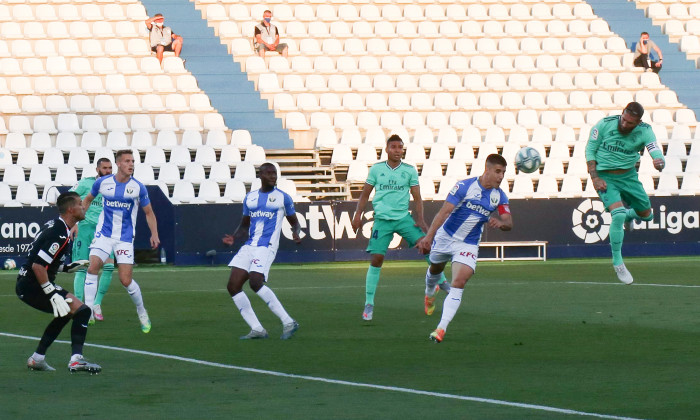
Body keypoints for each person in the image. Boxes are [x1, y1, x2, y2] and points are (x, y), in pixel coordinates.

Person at [351, 134, 450, 322]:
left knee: (427, 246)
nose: (397, 150)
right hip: (382, 220)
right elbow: (364, 195)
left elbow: (417, 197)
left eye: (400, 147)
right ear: (387, 149)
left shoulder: (409, 171)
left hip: (404, 218)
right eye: (394, 147)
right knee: (377, 258)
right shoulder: (377, 169)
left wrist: (420, 219)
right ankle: (369, 304)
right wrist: (357, 215)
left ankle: (442, 281)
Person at [416, 154, 512, 343]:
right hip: (446, 237)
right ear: (487, 170)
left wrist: (501, 223)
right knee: (435, 268)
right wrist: (429, 237)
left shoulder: (499, 196)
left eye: (504, 173)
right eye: (498, 172)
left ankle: (441, 329)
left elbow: (509, 222)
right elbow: (444, 212)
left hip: (468, 244)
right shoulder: (464, 186)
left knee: (459, 282)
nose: (501, 177)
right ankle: (429, 292)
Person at [16, 192, 101, 373]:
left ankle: (37, 359)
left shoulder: (56, 226)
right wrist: (51, 293)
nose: (83, 206)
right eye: (80, 204)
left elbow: (43, 261)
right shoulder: (59, 233)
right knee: (83, 311)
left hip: (29, 282)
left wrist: (67, 267)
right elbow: (38, 266)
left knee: (66, 312)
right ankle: (76, 360)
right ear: (71, 209)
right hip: (33, 285)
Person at [81, 150, 160, 333]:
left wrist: (154, 234)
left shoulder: (138, 187)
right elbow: (87, 200)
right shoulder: (102, 183)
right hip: (104, 235)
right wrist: (76, 221)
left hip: (124, 239)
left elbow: (149, 212)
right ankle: (89, 310)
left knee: (125, 280)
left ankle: (141, 311)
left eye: (132, 161)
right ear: (118, 164)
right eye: (127, 161)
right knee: (93, 266)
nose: (131, 164)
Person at [586, 102, 665, 284]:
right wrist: (595, 177)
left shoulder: (645, 130)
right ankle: (618, 263)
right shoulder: (604, 124)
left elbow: (654, 148)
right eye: (623, 119)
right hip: (606, 177)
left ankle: (631, 215)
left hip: (629, 177)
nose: (624, 124)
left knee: (647, 215)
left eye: (630, 123)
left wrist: (659, 160)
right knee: (618, 214)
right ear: (622, 114)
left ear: (638, 122)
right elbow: (590, 150)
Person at [223, 162, 301, 340]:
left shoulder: (283, 198)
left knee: (255, 282)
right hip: (250, 246)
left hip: (266, 247)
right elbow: (244, 226)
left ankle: (288, 322)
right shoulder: (250, 198)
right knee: (233, 286)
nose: (273, 176)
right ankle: (257, 329)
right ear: (260, 176)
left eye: (275, 173)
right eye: (269, 174)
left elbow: (295, 222)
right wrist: (234, 238)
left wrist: (296, 233)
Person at [69, 158, 114, 324]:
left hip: (106, 231)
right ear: (97, 169)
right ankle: (80, 306)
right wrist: (74, 222)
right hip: (85, 228)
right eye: (105, 168)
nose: (108, 171)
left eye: (110, 168)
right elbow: (69, 198)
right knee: (82, 267)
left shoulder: (116, 185)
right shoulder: (86, 183)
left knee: (108, 266)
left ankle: (96, 304)